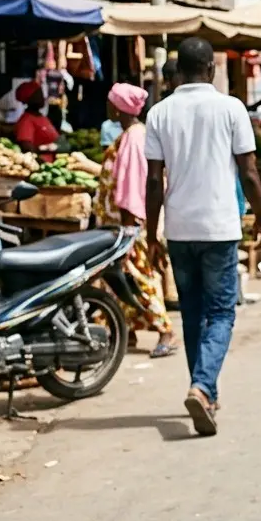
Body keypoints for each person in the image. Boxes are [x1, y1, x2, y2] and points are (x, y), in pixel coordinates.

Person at [144, 37, 261, 437]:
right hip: (219, 227)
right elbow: (248, 171)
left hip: (179, 228)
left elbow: (152, 181)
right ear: (212, 69)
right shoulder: (231, 109)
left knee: (193, 313)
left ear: (178, 71)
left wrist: (150, 232)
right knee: (221, 312)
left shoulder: (159, 113)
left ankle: (205, 391)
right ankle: (202, 386)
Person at [95, 83, 176, 357]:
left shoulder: (134, 138)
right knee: (120, 280)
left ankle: (166, 330)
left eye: (109, 102)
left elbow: (132, 185)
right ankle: (125, 331)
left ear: (118, 108)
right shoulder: (130, 134)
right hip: (121, 224)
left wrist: (129, 225)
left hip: (129, 224)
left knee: (139, 277)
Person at [13, 82, 58, 154]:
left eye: (41, 93)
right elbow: (27, 148)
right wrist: (47, 148)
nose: (42, 97)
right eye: (38, 94)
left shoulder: (42, 117)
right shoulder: (26, 121)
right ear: (29, 99)